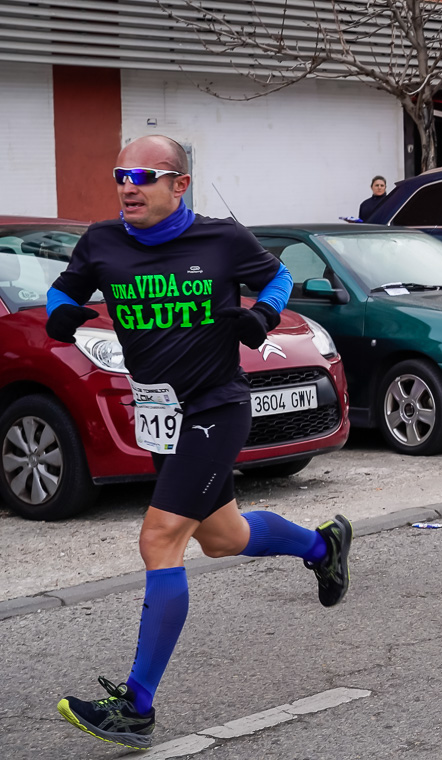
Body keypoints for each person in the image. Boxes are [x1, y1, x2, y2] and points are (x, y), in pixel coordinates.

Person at [50, 135, 353, 750]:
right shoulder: (101, 242)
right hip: (159, 412)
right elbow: (65, 288)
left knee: (160, 537)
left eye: (143, 175)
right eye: (120, 175)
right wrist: (61, 311)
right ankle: (322, 546)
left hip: (216, 407)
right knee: (223, 538)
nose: (128, 186)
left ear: (179, 184)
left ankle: (137, 706)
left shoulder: (221, 239)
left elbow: (278, 276)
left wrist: (262, 316)